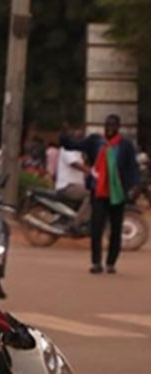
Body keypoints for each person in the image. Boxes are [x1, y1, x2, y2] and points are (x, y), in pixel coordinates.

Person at [61, 115, 142, 274]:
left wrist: (135, 186)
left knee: (116, 229)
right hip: (98, 191)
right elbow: (72, 145)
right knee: (96, 228)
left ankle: (111, 263)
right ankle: (96, 263)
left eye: (113, 125)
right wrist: (64, 135)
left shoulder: (125, 145)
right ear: (104, 126)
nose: (110, 127)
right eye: (108, 125)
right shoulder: (94, 141)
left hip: (118, 193)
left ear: (118, 127)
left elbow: (132, 167)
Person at [54, 145, 89, 228]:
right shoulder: (67, 149)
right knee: (92, 194)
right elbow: (74, 164)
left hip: (76, 186)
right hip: (67, 187)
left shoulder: (78, 152)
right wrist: (89, 171)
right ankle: (77, 223)